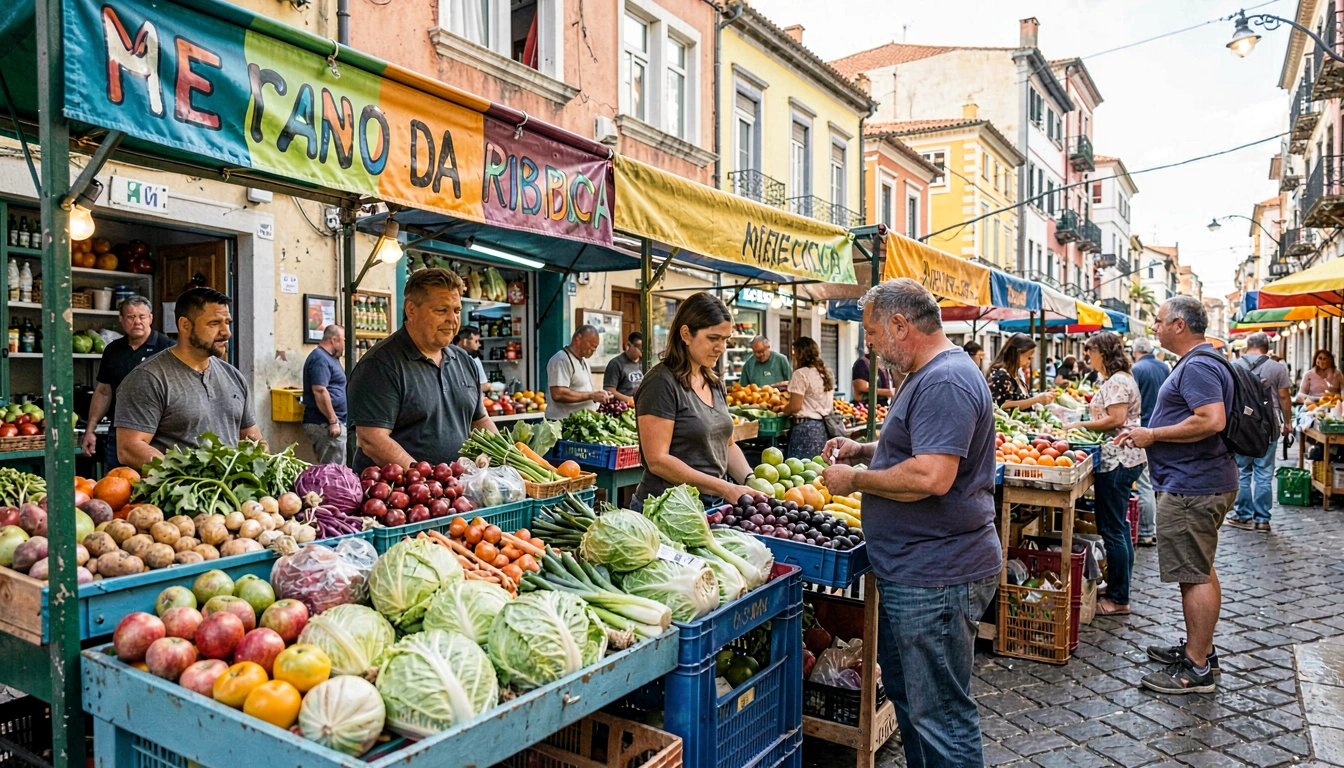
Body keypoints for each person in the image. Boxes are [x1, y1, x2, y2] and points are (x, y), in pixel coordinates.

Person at [820, 279, 999, 767]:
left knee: (939, 714)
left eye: (873, 333)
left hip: (937, 575)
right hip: (921, 570)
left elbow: (932, 474)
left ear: (901, 324)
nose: (869, 345)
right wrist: (865, 450)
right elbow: (919, 450)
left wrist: (856, 478)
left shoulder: (944, 380)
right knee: (917, 705)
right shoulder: (932, 373)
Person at [1117, 296, 1235, 695]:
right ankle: (1200, 649)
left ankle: (1196, 668)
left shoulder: (1199, 365)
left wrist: (1153, 435)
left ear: (1180, 325)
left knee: (1193, 575)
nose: (1155, 326)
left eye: (1159, 320)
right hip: (1199, 481)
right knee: (1200, 568)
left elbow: (1211, 419)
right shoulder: (1200, 361)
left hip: (1193, 485)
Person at [348, 268, 496, 471]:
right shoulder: (380, 365)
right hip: (397, 496)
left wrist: (506, 461)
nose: (452, 320)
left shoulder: (464, 360)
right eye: (441, 310)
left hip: (458, 492)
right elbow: (372, 439)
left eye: (456, 310)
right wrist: (429, 481)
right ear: (411, 310)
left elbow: (480, 420)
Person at [634, 293, 756, 507]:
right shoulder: (661, 382)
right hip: (668, 509)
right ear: (686, 334)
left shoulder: (714, 382)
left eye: (725, 339)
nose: (722, 347)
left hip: (712, 506)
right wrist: (725, 487)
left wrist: (750, 480)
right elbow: (657, 461)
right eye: (713, 338)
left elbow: (726, 446)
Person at [116, 288, 261, 467]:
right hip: (177, 492)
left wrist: (263, 461)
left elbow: (252, 438)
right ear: (185, 325)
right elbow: (129, 448)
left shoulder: (234, 376)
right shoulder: (148, 378)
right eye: (215, 323)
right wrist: (188, 476)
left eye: (227, 322)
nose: (227, 332)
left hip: (230, 492)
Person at [1061, 332, 1145, 616]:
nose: (1088, 356)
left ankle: (1119, 598)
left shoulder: (1119, 380)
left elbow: (1117, 419)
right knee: (1118, 527)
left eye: (1091, 351)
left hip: (1118, 459)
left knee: (1112, 529)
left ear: (1103, 353)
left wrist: (1078, 425)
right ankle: (1119, 587)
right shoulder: (1118, 379)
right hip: (1121, 457)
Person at [80, 296, 174, 469]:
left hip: (157, 435)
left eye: (142, 316)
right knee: (116, 486)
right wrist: (90, 430)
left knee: (153, 487)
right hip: (120, 433)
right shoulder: (113, 350)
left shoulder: (168, 349)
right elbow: (103, 392)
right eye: (131, 317)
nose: (137, 322)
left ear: (150, 319)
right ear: (121, 320)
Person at [1227, 332, 1293, 532]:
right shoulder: (1277, 367)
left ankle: (1243, 515)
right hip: (1269, 424)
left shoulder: (1234, 366)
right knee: (1264, 473)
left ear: (1247, 346)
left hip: (1241, 424)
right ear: (1267, 346)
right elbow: (1284, 397)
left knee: (1243, 471)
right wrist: (1287, 422)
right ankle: (1262, 519)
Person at [1130, 338, 1169, 547]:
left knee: (1145, 482)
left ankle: (1146, 530)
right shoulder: (1164, 367)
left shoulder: (1137, 369)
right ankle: (1159, 525)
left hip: (1144, 429)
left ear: (1135, 351)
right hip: (1163, 429)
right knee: (1158, 481)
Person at [781, 337, 835, 460]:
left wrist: (783, 409)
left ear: (800, 354)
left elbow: (795, 406)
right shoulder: (825, 373)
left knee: (800, 470)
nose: (793, 357)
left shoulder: (801, 374)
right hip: (822, 429)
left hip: (804, 431)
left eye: (794, 353)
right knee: (817, 468)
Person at [302, 324, 348, 465]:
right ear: (334, 340)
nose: (344, 345)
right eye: (343, 340)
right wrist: (333, 421)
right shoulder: (320, 358)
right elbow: (320, 391)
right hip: (325, 424)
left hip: (334, 422)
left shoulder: (330, 358)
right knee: (332, 471)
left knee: (337, 468)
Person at [546, 325, 610, 419]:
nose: (594, 349)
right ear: (578, 339)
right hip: (564, 423)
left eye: (596, 347)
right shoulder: (561, 360)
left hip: (580, 421)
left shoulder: (583, 361)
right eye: (592, 345)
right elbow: (558, 394)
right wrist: (591, 395)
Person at [986, 333, 1056, 410]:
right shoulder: (1001, 375)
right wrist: (1036, 399)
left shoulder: (1015, 374)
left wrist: (1041, 397)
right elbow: (1001, 406)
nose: (1030, 362)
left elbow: (1023, 400)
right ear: (1017, 353)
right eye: (1029, 358)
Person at [602, 332, 644, 405]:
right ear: (629, 345)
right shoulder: (616, 364)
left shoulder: (644, 362)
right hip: (622, 407)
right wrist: (630, 400)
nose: (641, 351)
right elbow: (609, 390)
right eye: (639, 347)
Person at [454, 325, 489, 393]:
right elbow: (483, 385)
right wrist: (490, 386)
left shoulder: (444, 356)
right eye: (476, 341)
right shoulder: (473, 360)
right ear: (465, 342)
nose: (479, 344)